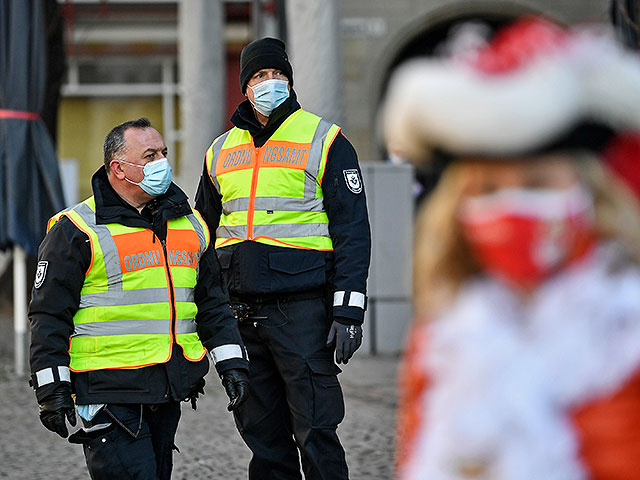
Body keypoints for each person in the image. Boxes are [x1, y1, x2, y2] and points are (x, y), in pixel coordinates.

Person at [382, 18, 640, 480]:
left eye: (537, 184)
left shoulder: (627, 328)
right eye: (486, 189)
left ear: (592, 191)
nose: (509, 205)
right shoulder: (443, 332)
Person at [29, 118, 250, 480]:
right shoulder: (77, 229)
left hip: (167, 387)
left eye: (163, 152)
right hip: (107, 392)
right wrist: (51, 387)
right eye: (150, 155)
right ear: (119, 168)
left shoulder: (190, 224)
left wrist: (233, 365)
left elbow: (212, 304)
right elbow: (48, 315)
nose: (162, 161)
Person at [195, 37, 371, 479]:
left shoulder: (325, 139)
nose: (269, 83)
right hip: (240, 312)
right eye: (259, 76)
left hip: (303, 311)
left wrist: (348, 311)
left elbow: (352, 228)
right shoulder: (219, 151)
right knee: (263, 436)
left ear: (290, 81)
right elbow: (199, 232)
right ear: (244, 87)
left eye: (277, 75)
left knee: (316, 431)